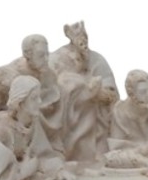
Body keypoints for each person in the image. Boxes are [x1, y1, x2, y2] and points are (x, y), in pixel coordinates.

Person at [0, 34, 62, 146]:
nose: (46, 59)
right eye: (41, 55)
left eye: (47, 54)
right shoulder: (4, 76)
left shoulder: (47, 73)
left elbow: (52, 100)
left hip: (33, 125)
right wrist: (2, 120)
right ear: (27, 55)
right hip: (4, 124)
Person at [50, 21, 119, 162]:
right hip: (70, 111)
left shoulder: (97, 59)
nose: (83, 42)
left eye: (84, 37)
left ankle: (96, 153)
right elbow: (53, 86)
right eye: (79, 38)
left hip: (96, 113)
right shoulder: (57, 58)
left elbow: (109, 87)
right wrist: (82, 91)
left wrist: (102, 92)